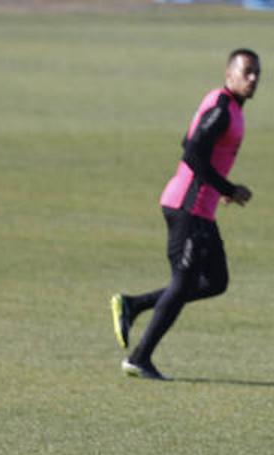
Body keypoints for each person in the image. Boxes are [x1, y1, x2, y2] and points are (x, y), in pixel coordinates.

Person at [109, 48, 260, 381]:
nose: (252, 79)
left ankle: (133, 305)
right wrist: (228, 188)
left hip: (200, 208)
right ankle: (139, 358)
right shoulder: (222, 109)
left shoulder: (230, 108)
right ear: (229, 73)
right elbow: (192, 153)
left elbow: (192, 142)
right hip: (187, 207)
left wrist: (220, 189)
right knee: (184, 281)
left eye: (256, 73)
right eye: (246, 71)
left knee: (215, 281)